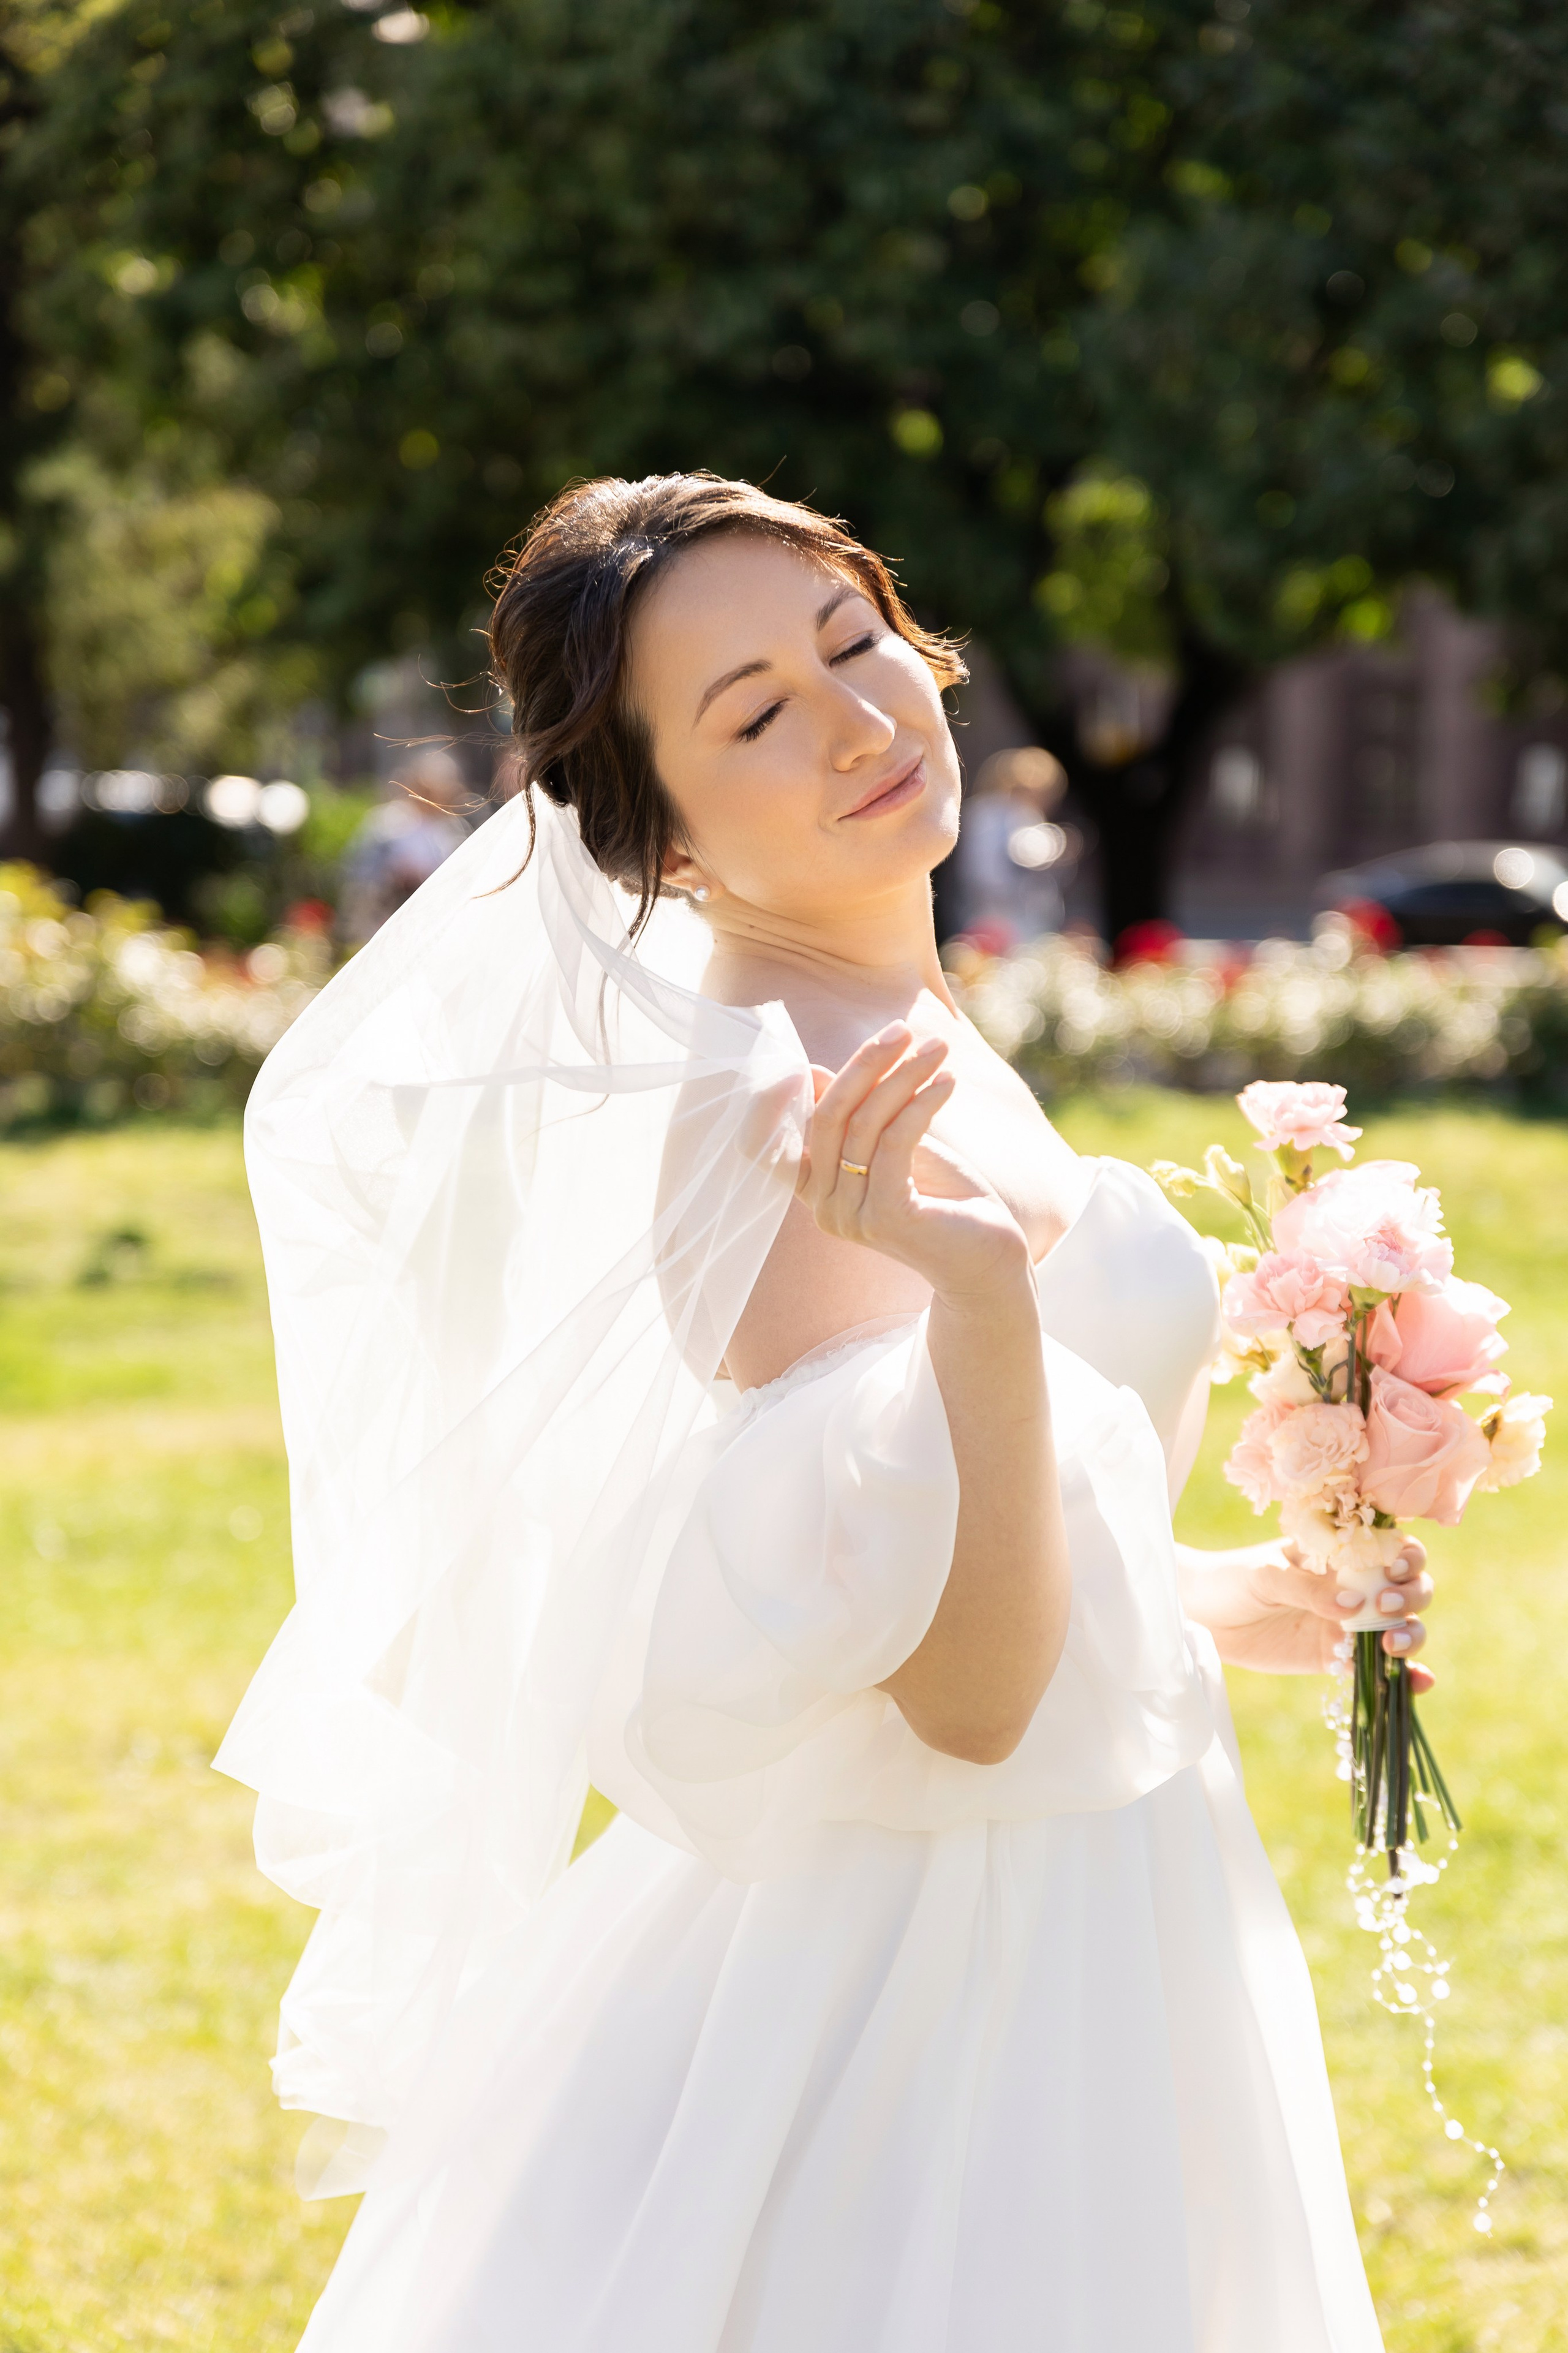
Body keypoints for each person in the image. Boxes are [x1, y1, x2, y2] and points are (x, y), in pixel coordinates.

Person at [219, 474, 1433, 2352]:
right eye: (756, 714)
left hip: (1097, 1889)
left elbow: (902, 1577)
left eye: (853, 642)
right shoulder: (786, 1123)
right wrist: (975, 1296)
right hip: (942, 1982)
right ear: (665, 843)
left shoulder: (893, 1021)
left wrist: (1207, 1593)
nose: (858, 718)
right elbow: (965, 1704)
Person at [336, 746, 473, 945]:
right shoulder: (388, 824)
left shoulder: (453, 830)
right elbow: (359, 874)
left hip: (431, 926)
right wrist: (393, 874)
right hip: (385, 922)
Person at [950, 743, 1076, 948]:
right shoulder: (989, 814)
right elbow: (985, 875)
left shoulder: (1027, 816)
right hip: (996, 922)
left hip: (1031, 924)